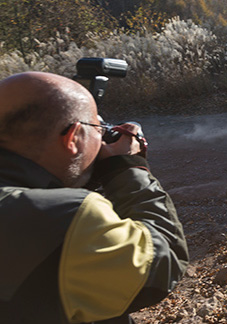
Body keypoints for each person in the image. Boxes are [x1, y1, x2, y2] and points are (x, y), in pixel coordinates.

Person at [0, 72, 189, 323]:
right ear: (74, 137)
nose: (102, 137)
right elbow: (160, 264)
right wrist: (127, 168)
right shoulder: (69, 218)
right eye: (98, 128)